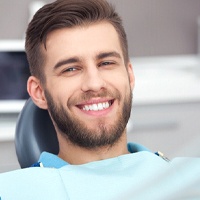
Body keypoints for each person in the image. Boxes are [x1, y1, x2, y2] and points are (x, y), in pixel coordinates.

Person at [0, 0, 200, 199]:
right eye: (71, 69)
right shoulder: (11, 191)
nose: (94, 84)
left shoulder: (191, 178)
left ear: (129, 76)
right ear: (39, 92)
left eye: (106, 63)